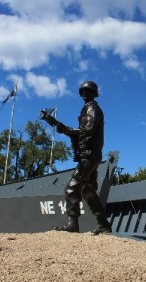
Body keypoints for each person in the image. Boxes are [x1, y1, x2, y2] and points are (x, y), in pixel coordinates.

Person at [42, 80, 112, 235]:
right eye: (82, 91)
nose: (84, 94)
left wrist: (69, 130)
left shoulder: (93, 108)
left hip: (90, 155)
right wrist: (63, 128)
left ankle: (72, 224)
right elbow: (82, 131)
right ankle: (104, 224)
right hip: (90, 155)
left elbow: (88, 130)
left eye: (87, 91)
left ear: (94, 93)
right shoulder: (87, 108)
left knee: (72, 187)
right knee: (88, 191)